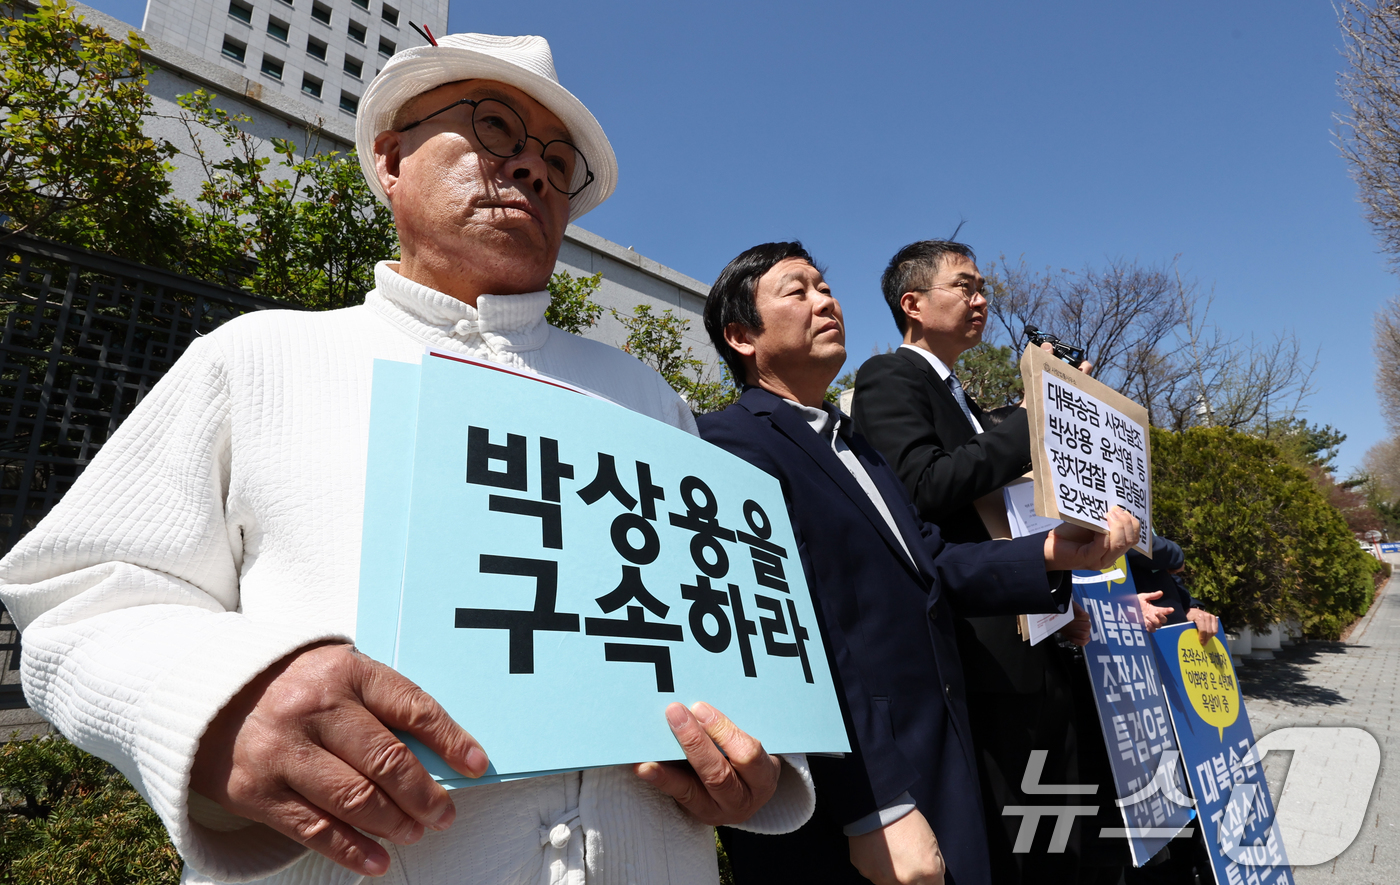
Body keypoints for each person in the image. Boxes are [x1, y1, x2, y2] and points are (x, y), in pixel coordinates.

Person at [0, 34, 814, 885]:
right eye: (494, 128)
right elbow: (78, 591)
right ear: (390, 159)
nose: (533, 170)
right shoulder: (260, 357)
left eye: (557, 162)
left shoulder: (646, 396)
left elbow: (724, 620)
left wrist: (761, 753)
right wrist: (226, 700)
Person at [696, 241, 1141, 885]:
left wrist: (1049, 553)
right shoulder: (728, 441)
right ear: (741, 337)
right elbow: (786, 632)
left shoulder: (855, 446)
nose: (826, 302)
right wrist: (873, 803)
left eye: (826, 287)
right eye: (798, 291)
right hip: (859, 782)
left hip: (939, 742)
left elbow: (928, 561)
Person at [851, 240, 1217, 883]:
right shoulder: (890, 376)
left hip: (1044, 635)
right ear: (912, 303)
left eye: (982, 287)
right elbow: (922, 486)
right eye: (963, 285)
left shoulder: (963, 401)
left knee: (1059, 837)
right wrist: (1037, 416)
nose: (980, 299)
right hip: (984, 655)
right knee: (1026, 843)